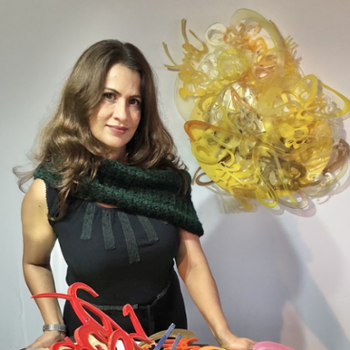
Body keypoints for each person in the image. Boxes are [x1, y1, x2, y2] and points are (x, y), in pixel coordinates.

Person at [16, 39, 256, 350]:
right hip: (90, 338)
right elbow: (34, 263)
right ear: (83, 98)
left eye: (134, 101)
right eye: (109, 97)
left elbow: (191, 261)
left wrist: (225, 335)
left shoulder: (167, 181)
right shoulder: (52, 185)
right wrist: (53, 326)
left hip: (164, 336)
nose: (122, 115)